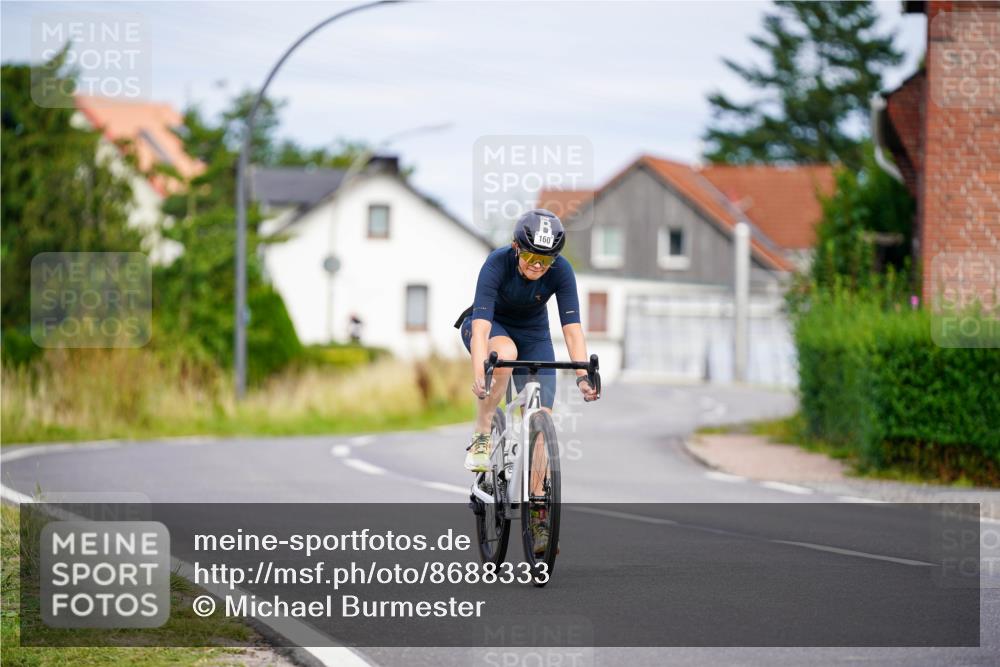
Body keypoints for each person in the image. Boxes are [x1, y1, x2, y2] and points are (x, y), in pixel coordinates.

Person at [454, 209, 599, 475]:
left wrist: (582, 376)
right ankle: (482, 434)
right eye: (531, 257)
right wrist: (481, 375)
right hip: (491, 325)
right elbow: (481, 328)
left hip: (533, 334)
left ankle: (537, 498)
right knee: (505, 352)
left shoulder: (562, 270)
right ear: (516, 248)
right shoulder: (497, 262)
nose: (537, 266)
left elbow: (572, 330)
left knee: (541, 421)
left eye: (545, 260)